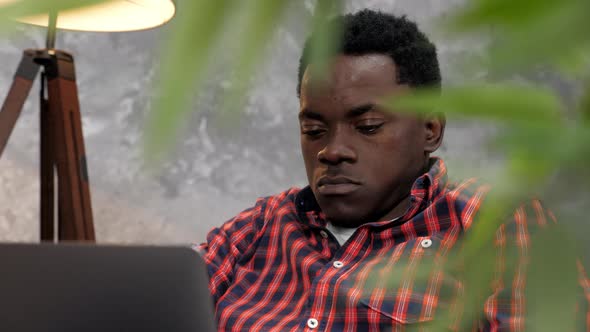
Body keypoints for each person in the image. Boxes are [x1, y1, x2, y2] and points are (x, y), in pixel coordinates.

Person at [197, 9, 589, 331]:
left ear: (430, 130)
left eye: (367, 127)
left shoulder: (496, 224)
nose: (331, 151)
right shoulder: (255, 231)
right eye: (314, 130)